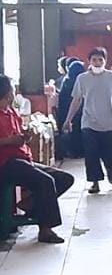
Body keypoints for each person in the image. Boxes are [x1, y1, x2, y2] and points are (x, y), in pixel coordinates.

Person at [0, 75, 75, 244]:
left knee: (64, 178)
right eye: (11, 90)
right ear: (6, 93)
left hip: (21, 158)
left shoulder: (11, 111)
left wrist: (24, 136)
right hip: (5, 163)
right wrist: (9, 141)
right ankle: (46, 229)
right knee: (45, 182)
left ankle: (28, 204)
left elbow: (16, 134)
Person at [63, 48, 112, 193]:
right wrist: (68, 119)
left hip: (109, 122)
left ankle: (109, 166)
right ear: (89, 61)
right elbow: (76, 100)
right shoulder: (82, 79)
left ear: (105, 61)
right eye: (94, 60)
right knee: (91, 154)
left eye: (100, 60)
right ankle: (95, 182)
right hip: (88, 123)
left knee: (111, 152)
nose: (97, 63)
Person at [55, 58, 84, 160]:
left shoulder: (66, 81)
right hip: (81, 112)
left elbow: (63, 99)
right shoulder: (83, 80)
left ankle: (73, 151)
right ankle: (81, 151)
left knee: (73, 132)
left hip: (69, 111)